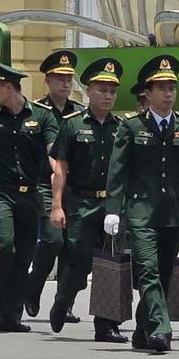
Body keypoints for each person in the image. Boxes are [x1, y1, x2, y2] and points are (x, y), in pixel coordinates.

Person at [104, 54, 179, 354]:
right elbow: (117, 172)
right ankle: (161, 327)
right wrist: (113, 210)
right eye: (162, 88)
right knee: (148, 271)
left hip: (173, 212)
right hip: (141, 212)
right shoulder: (131, 127)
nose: (168, 94)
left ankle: (143, 329)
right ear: (148, 92)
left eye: (172, 88)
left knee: (164, 273)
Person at [45, 57, 128, 340]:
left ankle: (106, 324)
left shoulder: (122, 128)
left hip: (112, 205)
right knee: (79, 260)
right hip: (81, 203)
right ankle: (62, 300)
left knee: (112, 263)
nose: (108, 96)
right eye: (102, 90)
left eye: (112, 91)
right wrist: (57, 206)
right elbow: (61, 169)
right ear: (89, 91)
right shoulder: (72, 125)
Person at [0, 58, 55, 330]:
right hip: (0, 193)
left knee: (23, 257)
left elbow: (54, 154)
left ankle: (11, 316)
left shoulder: (42, 116)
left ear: (9, 87)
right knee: (4, 245)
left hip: (31, 195)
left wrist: (60, 185)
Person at [22, 50, 83, 319]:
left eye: (69, 78)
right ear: (47, 81)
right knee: (52, 239)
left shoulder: (81, 114)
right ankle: (33, 286)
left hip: (75, 188)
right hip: (45, 186)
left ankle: (64, 303)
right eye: (59, 78)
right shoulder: (36, 113)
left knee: (73, 248)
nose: (66, 84)